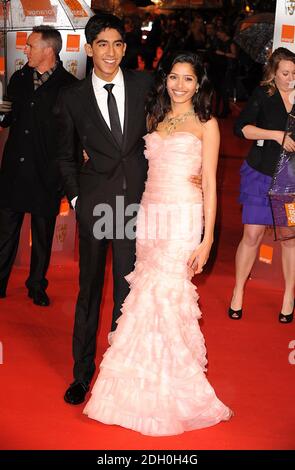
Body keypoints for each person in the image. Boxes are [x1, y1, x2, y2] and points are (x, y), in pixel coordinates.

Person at [83, 51, 232, 436]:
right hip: (149, 216)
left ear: (199, 85)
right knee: (144, 297)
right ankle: (137, 388)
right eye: (174, 77)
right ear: (165, 80)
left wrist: (208, 238)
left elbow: (211, 184)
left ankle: (172, 388)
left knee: (168, 296)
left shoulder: (207, 124)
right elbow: (131, 158)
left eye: (188, 79)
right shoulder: (156, 117)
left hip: (183, 217)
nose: (179, 85)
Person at [55, 14, 154, 405]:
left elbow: (171, 123)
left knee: (126, 292)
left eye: (117, 44)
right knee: (90, 290)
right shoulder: (72, 98)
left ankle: (119, 373)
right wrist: (78, 200)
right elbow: (64, 157)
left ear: (125, 49)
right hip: (95, 204)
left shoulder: (145, 85)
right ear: (90, 48)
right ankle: (82, 373)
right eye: (102, 44)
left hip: (135, 205)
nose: (110, 52)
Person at [0, 26, 76, 305]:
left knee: (42, 235)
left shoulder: (69, 87)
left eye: (31, 46)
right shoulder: (18, 78)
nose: (25, 50)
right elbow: (6, 119)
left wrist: (66, 176)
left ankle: (36, 285)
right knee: (5, 231)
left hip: (46, 172)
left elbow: (72, 136)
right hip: (14, 169)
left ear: (49, 50)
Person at [228, 47, 295, 323]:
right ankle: (238, 290)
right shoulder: (264, 95)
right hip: (260, 175)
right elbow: (240, 128)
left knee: (289, 239)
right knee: (252, 234)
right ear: (273, 73)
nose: (291, 78)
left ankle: (289, 295)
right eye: (285, 73)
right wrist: (276, 135)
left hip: (291, 180)